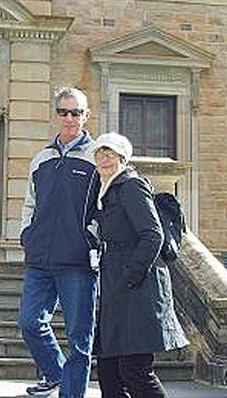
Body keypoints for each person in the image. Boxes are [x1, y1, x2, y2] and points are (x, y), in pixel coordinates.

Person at [91, 132, 189, 398]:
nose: (104, 158)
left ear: (123, 158)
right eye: (100, 153)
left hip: (139, 288)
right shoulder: (106, 190)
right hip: (116, 288)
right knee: (109, 369)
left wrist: (130, 275)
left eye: (110, 154)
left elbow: (152, 235)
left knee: (135, 369)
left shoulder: (131, 186)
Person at [18, 86, 100, 397]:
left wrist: (90, 238)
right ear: (56, 115)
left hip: (77, 261)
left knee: (79, 338)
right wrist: (27, 234)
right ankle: (55, 374)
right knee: (29, 323)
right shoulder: (42, 159)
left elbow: (105, 205)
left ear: (86, 115)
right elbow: (30, 203)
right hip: (40, 258)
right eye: (63, 112)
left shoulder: (97, 157)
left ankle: (71, 393)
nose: (69, 118)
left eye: (75, 112)